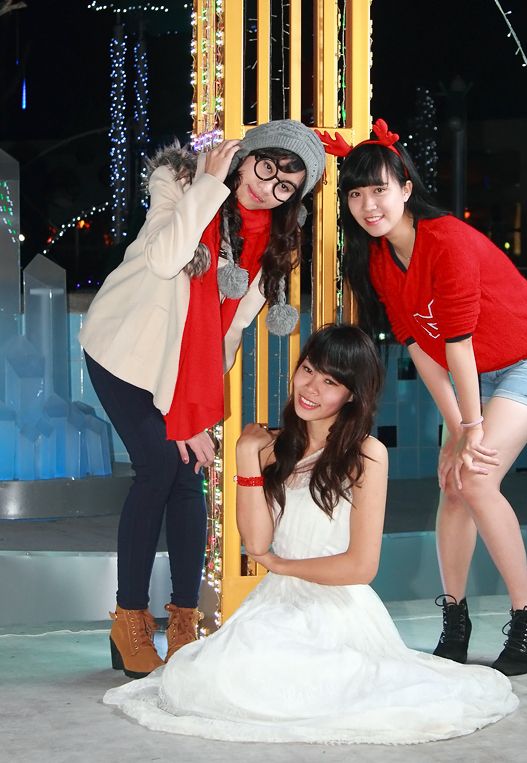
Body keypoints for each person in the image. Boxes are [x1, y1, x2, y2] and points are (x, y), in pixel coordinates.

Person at [102, 324, 518, 744]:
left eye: (330, 382)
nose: (311, 388)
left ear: (352, 394)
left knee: (314, 686)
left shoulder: (367, 454)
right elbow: (257, 543)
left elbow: (361, 567)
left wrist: (282, 565)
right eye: (308, 370)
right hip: (274, 604)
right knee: (214, 677)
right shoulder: (271, 447)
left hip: (338, 607)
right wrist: (246, 456)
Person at [319, 118, 527, 677]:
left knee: (475, 477)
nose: (367, 205)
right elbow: (420, 347)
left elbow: (457, 343)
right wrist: (457, 428)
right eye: (355, 195)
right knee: (453, 483)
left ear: (406, 188)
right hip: (473, 372)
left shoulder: (447, 240)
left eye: (378, 190)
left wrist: (470, 431)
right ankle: (455, 620)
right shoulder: (379, 259)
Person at [79, 120, 325, 679]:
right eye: (267, 166)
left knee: (189, 477)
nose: (268, 187)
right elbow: (166, 258)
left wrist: (196, 401)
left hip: (185, 372)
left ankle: (184, 621)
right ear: (246, 155)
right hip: (125, 352)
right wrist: (209, 186)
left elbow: (229, 330)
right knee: (158, 468)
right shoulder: (179, 183)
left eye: (286, 185)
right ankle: (129, 619)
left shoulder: (269, 243)